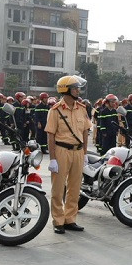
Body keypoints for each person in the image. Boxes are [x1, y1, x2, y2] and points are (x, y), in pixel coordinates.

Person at [45, 75, 91, 234]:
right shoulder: (55, 110)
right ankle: (58, 220)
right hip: (61, 151)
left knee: (75, 187)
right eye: (75, 87)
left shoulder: (82, 108)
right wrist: (52, 159)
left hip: (78, 152)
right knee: (58, 189)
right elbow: (50, 135)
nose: (78, 90)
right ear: (65, 90)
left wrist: (85, 153)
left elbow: (85, 131)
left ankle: (70, 219)